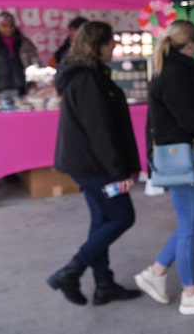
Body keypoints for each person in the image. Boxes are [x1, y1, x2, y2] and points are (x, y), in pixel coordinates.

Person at [135, 19, 194, 316]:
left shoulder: (172, 69)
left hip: (182, 155)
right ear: (191, 43)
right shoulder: (177, 74)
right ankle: (190, 293)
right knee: (190, 225)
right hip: (180, 158)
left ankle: (157, 271)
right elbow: (192, 121)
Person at [48, 21, 142, 306]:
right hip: (94, 166)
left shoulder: (91, 74)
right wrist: (118, 173)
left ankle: (104, 285)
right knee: (122, 217)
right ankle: (71, 271)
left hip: (88, 164)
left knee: (102, 220)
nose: (114, 46)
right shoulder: (86, 79)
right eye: (109, 42)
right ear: (96, 46)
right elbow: (99, 130)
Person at [0, 11, 40, 99]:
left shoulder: (24, 43)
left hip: (22, 87)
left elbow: (35, 63)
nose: (8, 28)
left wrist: (34, 81)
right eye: (4, 25)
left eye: (11, 25)